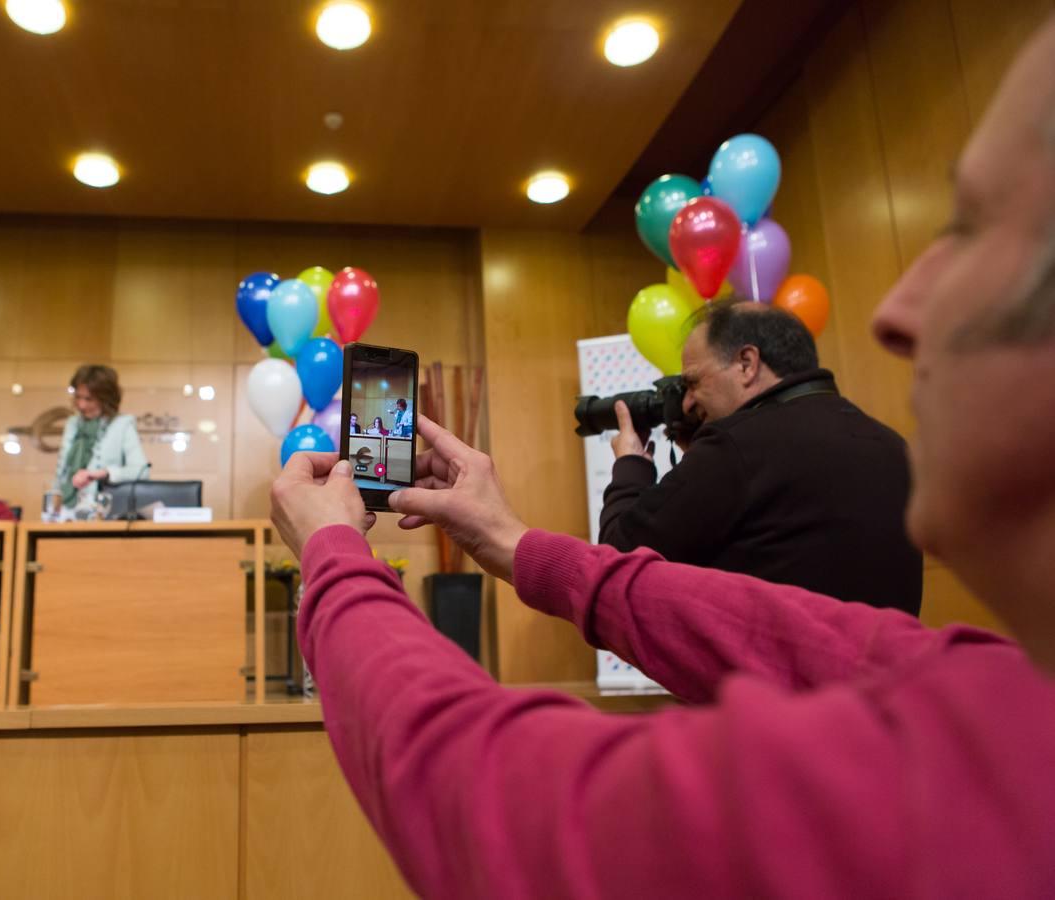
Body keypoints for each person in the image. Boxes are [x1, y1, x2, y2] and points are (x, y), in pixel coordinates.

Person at [267, 15, 1055, 898]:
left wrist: (335, 558)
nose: (898, 310)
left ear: (747, 366)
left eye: (976, 229)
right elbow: (787, 634)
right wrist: (517, 544)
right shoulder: (982, 681)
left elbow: (489, 800)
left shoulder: (939, 790)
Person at [601, 300, 921, 614]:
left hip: (777, 667)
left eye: (693, 382)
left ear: (746, 363)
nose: (686, 404)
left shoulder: (736, 447)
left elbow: (617, 563)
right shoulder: (891, 444)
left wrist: (631, 464)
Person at [53, 364, 149, 509]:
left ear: (106, 398)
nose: (81, 405)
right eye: (78, 397)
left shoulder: (122, 424)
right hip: (67, 511)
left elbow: (141, 471)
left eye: (89, 399)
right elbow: (62, 473)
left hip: (103, 512)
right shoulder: (72, 424)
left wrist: (102, 473)